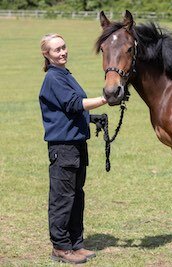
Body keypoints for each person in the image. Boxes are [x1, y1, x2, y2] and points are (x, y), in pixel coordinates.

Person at [39, 33, 107, 264]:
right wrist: (105, 98)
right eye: (56, 50)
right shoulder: (53, 78)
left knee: (77, 196)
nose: (62, 52)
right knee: (62, 198)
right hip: (63, 147)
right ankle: (60, 247)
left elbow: (71, 111)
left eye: (64, 47)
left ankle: (76, 244)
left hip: (77, 144)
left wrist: (93, 117)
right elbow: (73, 104)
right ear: (46, 54)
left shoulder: (65, 74)